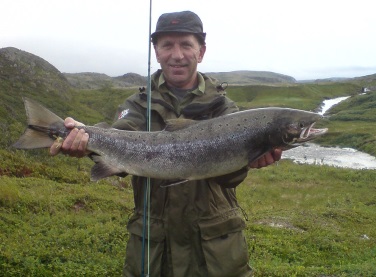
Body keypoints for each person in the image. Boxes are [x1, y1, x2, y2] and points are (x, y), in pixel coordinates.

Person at [50, 10, 282, 277]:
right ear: (156, 52)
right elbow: (120, 138)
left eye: (186, 44)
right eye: (167, 45)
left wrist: (251, 158)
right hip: (153, 246)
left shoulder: (224, 108)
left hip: (214, 249)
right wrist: (86, 143)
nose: (177, 54)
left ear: (201, 51)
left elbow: (229, 178)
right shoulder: (137, 105)